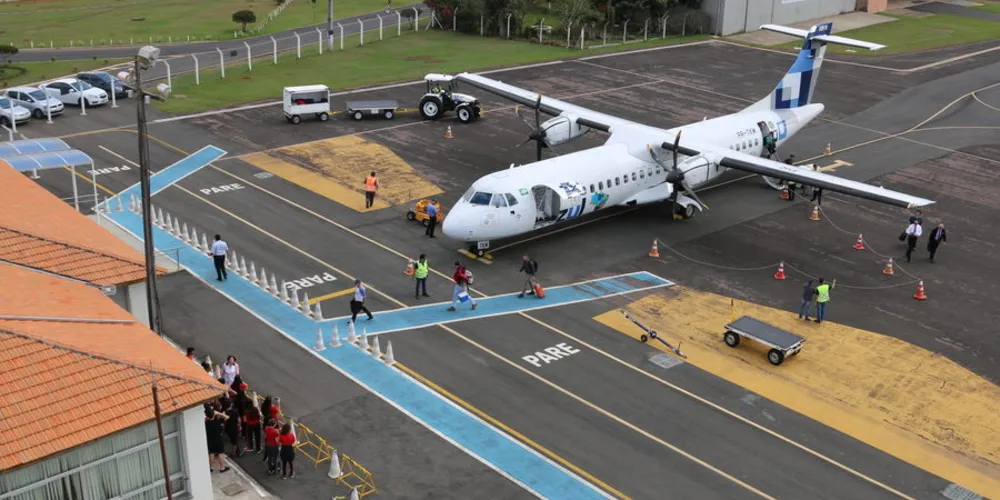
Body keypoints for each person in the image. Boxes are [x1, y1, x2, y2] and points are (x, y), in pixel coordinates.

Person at [204, 403, 230, 473]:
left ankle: (210, 467)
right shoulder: (217, 421)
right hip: (218, 439)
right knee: (220, 453)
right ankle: (222, 467)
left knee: (211, 453)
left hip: (210, 439)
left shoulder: (206, 423)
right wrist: (219, 413)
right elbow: (227, 417)